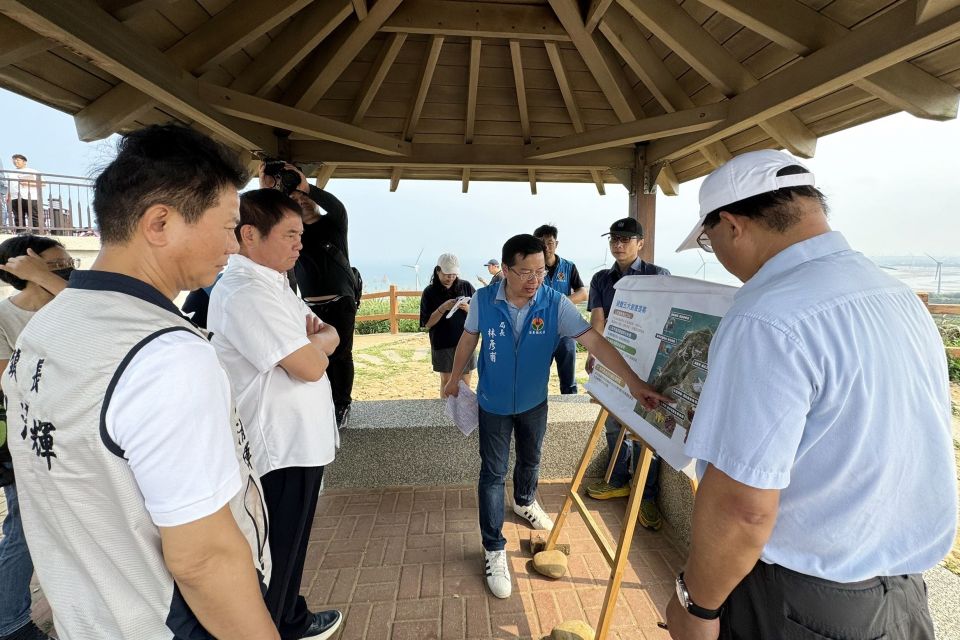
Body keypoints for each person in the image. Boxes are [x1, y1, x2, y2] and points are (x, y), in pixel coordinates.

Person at [664, 150, 957, 640]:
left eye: (707, 241)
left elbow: (743, 505)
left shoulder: (765, 316)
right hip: (905, 595)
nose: (715, 254)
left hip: (803, 601)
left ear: (732, 226)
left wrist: (696, 607)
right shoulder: (894, 293)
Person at [3, 124, 278, 639]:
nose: (233, 246)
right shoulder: (165, 355)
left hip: (88, 614)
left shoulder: (47, 325)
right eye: (226, 227)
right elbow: (203, 558)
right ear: (159, 223)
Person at [444, 234, 668, 599]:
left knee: (531, 459)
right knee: (493, 473)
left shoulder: (554, 303)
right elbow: (468, 340)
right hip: (493, 404)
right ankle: (493, 548)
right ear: (505, 271)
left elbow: (594, 342)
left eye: (540, 272)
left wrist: (633, 382)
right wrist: (455, 378)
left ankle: (526, 500)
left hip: (533, 402)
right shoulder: (485, 300)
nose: (534, 280)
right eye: (525, 272)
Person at [207, 188, 342, 640]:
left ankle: (290, 617)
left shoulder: (275, 282)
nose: (299, 244)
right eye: (289, 235)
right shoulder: (245, 291)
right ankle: (276, 627)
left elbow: (324, 333)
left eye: (300, 235)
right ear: (250, 235)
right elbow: (309, 362)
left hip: (300, 442)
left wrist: (321, 341)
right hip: (279, 447)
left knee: (290, 546)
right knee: (275, 551)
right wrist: (322, 344)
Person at [0, 235, 75, 640]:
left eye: (65, 262)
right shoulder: (4, 318)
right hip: (30, 443)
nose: (65, 268)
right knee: (24, 532)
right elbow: (10, 382)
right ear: (19, 269)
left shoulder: (73, 309)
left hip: (78, 441)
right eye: (53, 263)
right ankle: (8, 622)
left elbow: (100, 315)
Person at [584, 217, 671, 531]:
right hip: (614, 364)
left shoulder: (658, 276)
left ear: (640, 243)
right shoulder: (601, 279)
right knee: (613, 423)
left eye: (625, 239)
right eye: (614, 240)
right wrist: (594, 353)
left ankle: (647, 495)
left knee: (649, 434)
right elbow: (598, 319)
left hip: (649, 369)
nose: (618, 245)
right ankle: (619, 479)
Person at [260, 165, 356, 429]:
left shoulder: (333, 223)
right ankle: (322, 403)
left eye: (305, 199)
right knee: (314, 354)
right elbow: (265, 219)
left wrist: (307, 187)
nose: (301, 202)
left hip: (340, 301)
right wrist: (266, 189)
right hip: (309, 306)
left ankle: (342, 405)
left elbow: (337, 207)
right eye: (295, 200)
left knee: (341, 354)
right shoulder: (293, 233)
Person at [533, 224, 587, 394]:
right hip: (539, 329)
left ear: (556, 243)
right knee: (537, 378)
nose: (546, 247)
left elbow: (583, 293)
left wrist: (561, 303)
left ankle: (572, 413)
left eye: (549, 242)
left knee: (569, 380)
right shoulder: (532, 269)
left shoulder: (568, 266)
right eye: (541, 243)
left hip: (565, 330)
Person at [419, 253, 476, 396]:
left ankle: (463, 415)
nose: (450, 278)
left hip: (466, 340)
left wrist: (468, 309)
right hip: (442, 342)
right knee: (446, 381)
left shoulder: (466, 286)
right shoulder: (429, 292)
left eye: (453, 274)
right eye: (447, 274)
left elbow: (480, 312)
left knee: (465, 381)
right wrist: (443, 308)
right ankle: (444, 415)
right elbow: (427, 323)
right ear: (438, 270)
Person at [8, 156, 40, 232]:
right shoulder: (11, 173)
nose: (15, 162)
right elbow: (9, 186)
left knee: (33, 216)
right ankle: (20, 234)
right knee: (18, 217)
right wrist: (8, 195)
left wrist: (27, 183)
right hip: (15, 197)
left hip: (30, 197)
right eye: (14, 160)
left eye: (18, 160)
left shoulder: (33, 171)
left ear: (24, 162)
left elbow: (42, 184)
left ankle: (36, 233)